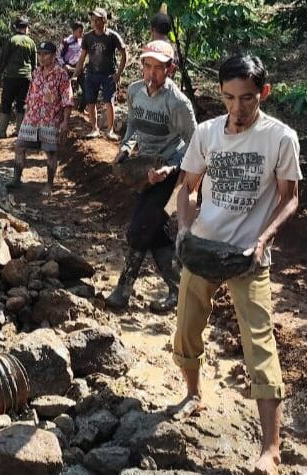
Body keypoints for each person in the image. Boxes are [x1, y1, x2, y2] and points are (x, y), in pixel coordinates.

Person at [170, 53, 301, 475]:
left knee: (260, 345)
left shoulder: (280, 138)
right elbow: (187, 188)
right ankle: (193, 394)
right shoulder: (207, 133)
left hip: (248, 258)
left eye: (247, 98)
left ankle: (270, 451)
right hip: (203, 248)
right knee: (186, 328)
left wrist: (263, 240)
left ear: (264, 93)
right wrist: (184, 227)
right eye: (229, 98)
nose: (237, 108)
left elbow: (290, 198)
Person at [106, 40, 196, 312]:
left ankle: (123, 290)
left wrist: (172, 167)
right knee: (154, 232)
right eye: (148, 66)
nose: (152, 73)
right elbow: (133, 126)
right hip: (145, 171)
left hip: (170, 174)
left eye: (159, 68)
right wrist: (125, 149)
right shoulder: (135, 91)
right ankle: (179, 291)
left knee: (138, 229)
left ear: (170, 69)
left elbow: (195, 144)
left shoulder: (178, 103)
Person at [9, 41, 73, 195]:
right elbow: (31, 93)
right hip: (32, 118)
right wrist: (27, 110)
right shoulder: (36, 72)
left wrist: (65, 122)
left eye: (45, 54)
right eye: (40, 54)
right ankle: (16, 179)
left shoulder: (61, 74)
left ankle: (49, 185)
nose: (42, 57)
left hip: (50, 120)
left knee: (50, 152)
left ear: (54, 56)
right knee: (19, 147)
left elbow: (67, 99)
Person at [74, 7, 127, 140]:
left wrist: (118, 74)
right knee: (91, 102)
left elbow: (124, 54)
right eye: (93, 19)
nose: (94, 21)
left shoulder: (112, 36)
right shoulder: (88, 37)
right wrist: (76, 74)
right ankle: (94, 129)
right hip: (91, 74)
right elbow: (82, 57)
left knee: (109, 102)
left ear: (104, 20)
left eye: (97, 19)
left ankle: (110, 130)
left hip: (108, 74)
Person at [0, 15, 37, 139]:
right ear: (26, 28)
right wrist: (35, 79)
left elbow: (4, 59)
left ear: (16, 27)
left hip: (11, 76)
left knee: (6, 102)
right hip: (26, 78)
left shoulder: (12, 40)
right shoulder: (31, 42)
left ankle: (1, 131)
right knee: (22, 103)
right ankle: (19, 131)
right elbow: (35, 64)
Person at [58, 21, 85, 111]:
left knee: (86, 89)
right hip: (67, 69)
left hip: (79, 68)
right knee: (65, 90)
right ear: (74, 31)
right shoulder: (66, 41)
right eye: (80, 31)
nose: (81, 33)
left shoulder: (82, 42)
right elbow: (58, 55)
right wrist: (64, 65)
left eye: (82, 32)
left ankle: (81, 109)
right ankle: (63, 109)